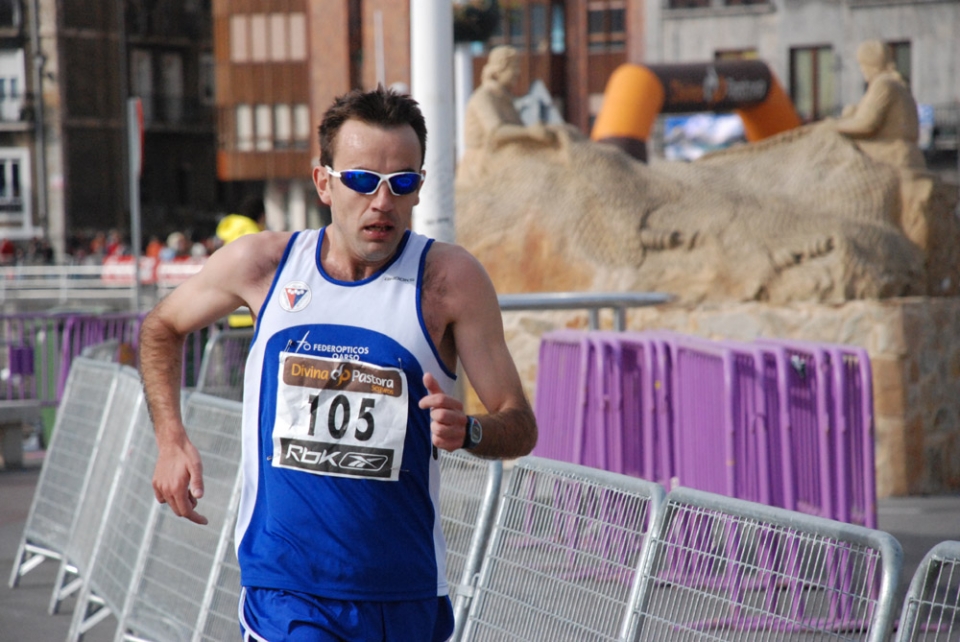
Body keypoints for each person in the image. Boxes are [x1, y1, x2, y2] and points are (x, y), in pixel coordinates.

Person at [139, 86, 538, 641]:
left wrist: (468, 429)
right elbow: (161, 327)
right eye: (360, 180)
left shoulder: (449, 282)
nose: (382, 202)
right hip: (287, 588)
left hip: (403, 591)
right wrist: (170, 438)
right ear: (323, 181)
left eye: (401, 183)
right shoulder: (265, 264)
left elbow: (518, 423)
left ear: (419, 189)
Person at [457, 45, 568, 186]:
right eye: (513, 68)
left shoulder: (505, 99)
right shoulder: (483, 97)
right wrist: (530, 132)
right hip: (480, 167)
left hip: (503, 160)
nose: (517, 72)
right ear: (499, 69)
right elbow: (496, 132)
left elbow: (517, 129)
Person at [819, 39, 925, 169]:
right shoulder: (892, 84)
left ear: (871, 64)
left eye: (862, 64)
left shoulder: (883, 84)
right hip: (897, 150)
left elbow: (866, 125)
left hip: (890, 152)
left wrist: (832, 125)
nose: (861, 69)